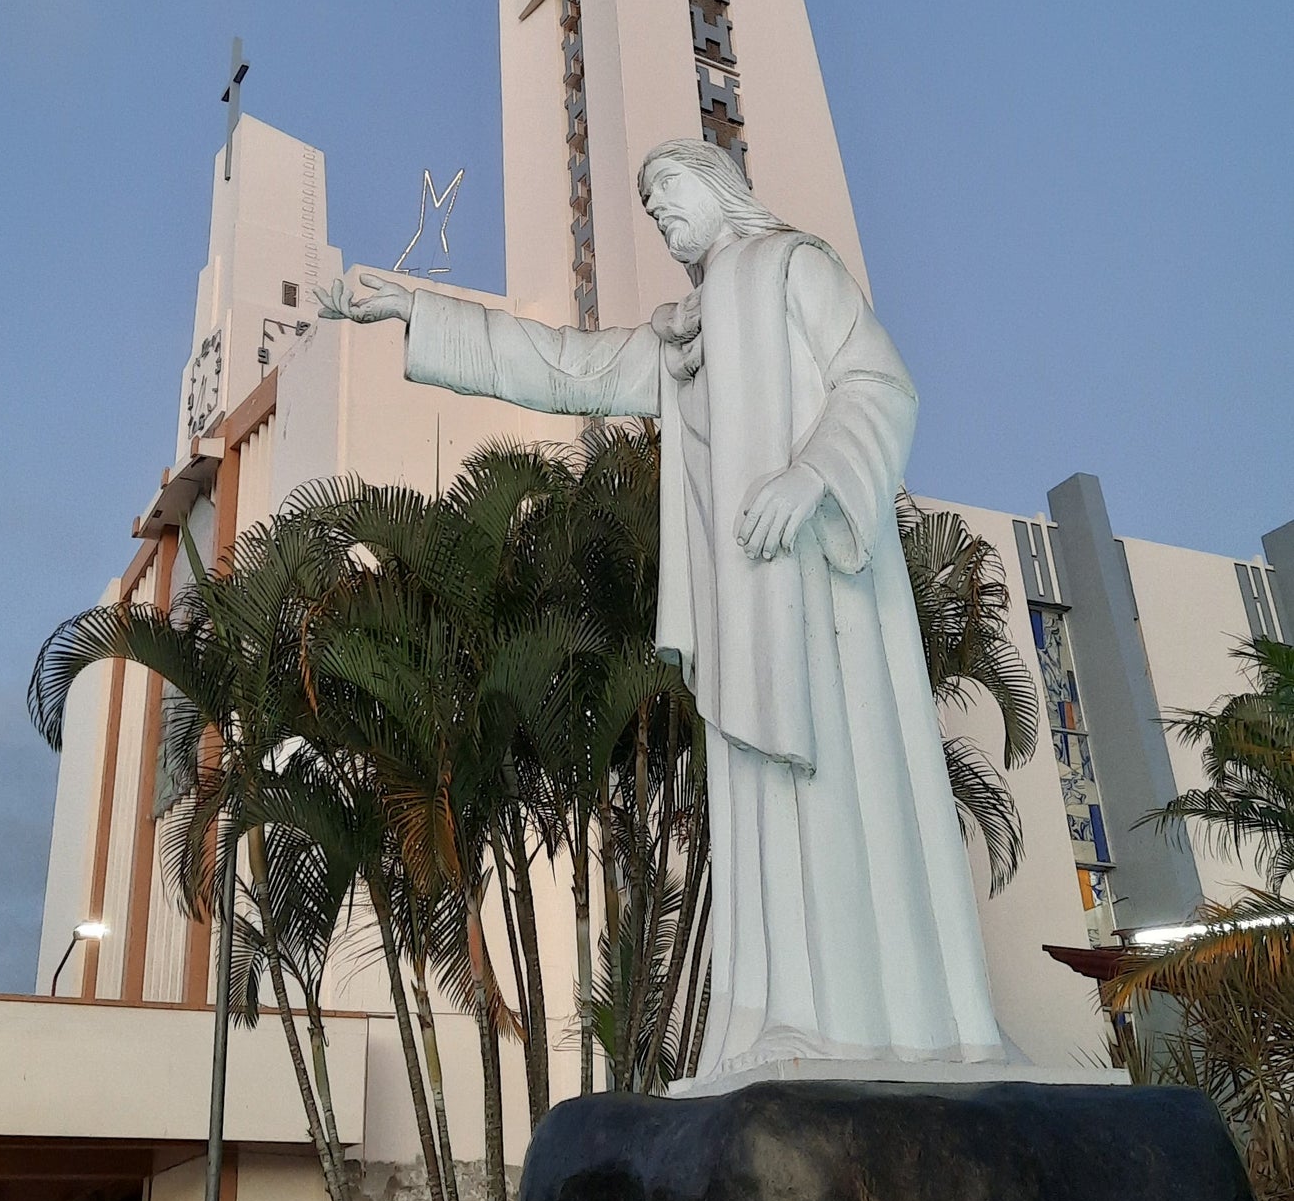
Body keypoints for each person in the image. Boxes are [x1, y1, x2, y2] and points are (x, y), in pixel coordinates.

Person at [319, 138, 1006, 1085]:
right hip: (744, 604)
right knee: (762, 802)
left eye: (669, 189)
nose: (659, 211)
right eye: (646, 203)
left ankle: (883, 1018)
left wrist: (812, 475)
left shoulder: (792, 267)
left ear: (718, 186)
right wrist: (419, 311)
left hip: (819, 584)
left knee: (843, 787)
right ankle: (785, 1011)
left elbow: (878, 383)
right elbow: (564, 366)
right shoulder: (681, 337)